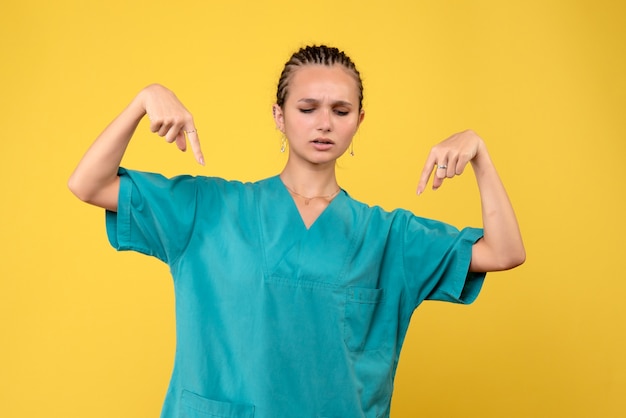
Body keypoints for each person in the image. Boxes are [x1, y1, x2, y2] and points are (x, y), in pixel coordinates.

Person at [68, 45, 525, 418]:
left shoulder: (388, 237)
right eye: (307, 108)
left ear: (359, 121)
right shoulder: (208, 210)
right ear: (279, 116)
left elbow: (504, 252)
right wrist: (142, 100)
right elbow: (88, 184)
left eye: (341, 110)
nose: (324, 123)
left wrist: (480, 155)